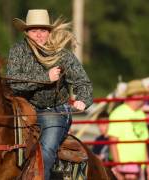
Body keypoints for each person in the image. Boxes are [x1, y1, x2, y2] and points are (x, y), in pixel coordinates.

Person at [6, 9, 93, 179]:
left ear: (50, 32)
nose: (39, 35)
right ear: (26, 32)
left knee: (45, 150)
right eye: (34, 30)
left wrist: (83, 99)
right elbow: (13, 82)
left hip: (53, 111)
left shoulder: (62, 55)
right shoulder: (17, 51)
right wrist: (45, 78)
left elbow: (83, 83)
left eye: (43, 30)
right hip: (22, 110)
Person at [108, 80, 149, 180]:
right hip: (126, 167)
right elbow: (113, 141)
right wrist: (118, 165)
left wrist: (148, 165)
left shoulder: (140, 114)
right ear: (135, 95)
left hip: (140, 166)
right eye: (142, 94)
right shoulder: (118, 113)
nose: (144, 97)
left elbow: (143, 141)